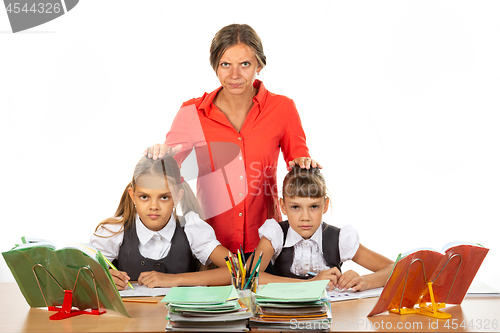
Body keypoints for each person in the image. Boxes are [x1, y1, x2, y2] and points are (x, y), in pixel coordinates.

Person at [145, 23, 320, 256]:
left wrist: (305, 163)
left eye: (245, 64)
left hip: (267, 244)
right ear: (215, 66)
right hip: (208, 245)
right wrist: (160, 157)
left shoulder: (282, 108)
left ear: (259, 64)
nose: (234, 75)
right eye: (225, 65)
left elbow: (298, 165)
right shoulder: (192, 113)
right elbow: (168, 177)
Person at [90, 155, 231, 290]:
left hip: (181, 314)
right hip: (132, 314)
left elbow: (236, 272)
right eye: (144, 196)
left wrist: (175, 280)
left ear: (177, 197)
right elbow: (78, 275)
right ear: (133, 196)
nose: (154, 206)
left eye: (164, 197)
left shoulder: (191, 228)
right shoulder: (114, 231)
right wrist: (102, 278)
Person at [251, 166, 394, 291]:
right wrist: (309, 284)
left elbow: (395, 269)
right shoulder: (275, 235)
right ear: (283, 206)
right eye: (295, 207)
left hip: (333, 316)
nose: (305, 217)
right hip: (283, 316)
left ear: (325, 205)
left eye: (314, 206)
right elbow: (250, 277)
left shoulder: (339, 238)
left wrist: (364, 281)